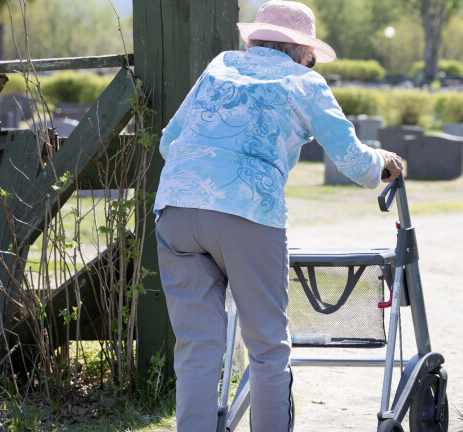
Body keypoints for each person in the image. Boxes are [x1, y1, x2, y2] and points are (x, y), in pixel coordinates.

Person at [153, 1, 403, 431]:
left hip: (177, 207)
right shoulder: (305, 82)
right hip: (247, 212)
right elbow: (352, 158)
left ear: (254, 39)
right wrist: (383, 162)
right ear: (305, 52)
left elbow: (168, 140)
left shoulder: (220, 65)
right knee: (267, 347)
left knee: (196, 347)